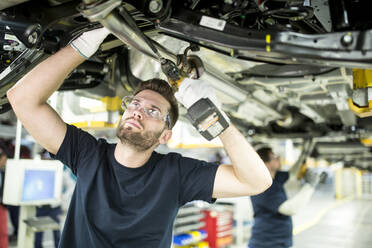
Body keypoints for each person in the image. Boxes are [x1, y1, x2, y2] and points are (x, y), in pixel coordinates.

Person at [6, 27, 272, 247]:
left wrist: (213, 117)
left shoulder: (175, 174)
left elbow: (256, 182)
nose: (136, 112)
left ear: (165, 135)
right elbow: (22, 99)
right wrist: (84, 45)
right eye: (133, 104)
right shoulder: (88, 154)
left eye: (152, 111)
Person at [249, 146, 322, 248]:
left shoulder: (274, 177)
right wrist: (310, 186)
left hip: (278, 241)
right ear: (266, 164)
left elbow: (292, 173)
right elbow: (290, 209)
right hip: (267, 243)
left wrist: (304, 153)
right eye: (273, 157)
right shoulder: (262, 187)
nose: (278, 158)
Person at [0, 146, 8, 248]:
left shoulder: (3, 172)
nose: (5, 162)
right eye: (4, 159)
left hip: (1, 206)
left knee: (3, 232)